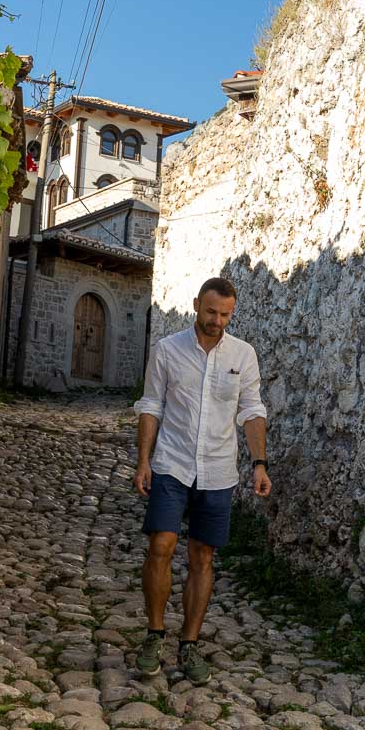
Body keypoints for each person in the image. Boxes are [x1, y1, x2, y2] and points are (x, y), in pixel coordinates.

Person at [133, 277, 271, 684]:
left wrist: (259, 463)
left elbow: (251, 411)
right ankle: (154, 635)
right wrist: (144, 461)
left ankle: (189, 644)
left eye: (225, 314)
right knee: (161, 544)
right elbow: (151, 405)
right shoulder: (168, 350)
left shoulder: (243, 355)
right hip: (172, 464)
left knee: (203, 556)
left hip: (218, 470)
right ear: (197, 305)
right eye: (211, 312)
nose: (217, 321)